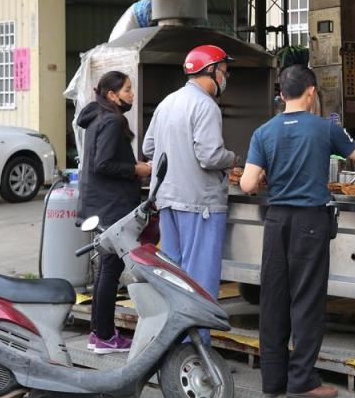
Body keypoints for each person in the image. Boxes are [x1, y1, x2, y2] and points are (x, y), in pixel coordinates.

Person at [239, 65, 355, 398]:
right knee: (306, 299)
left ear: (282, 95)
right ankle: (301, 381)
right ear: (311, 92)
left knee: (274, 299)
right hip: (310, 222)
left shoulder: (264, 132)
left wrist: (265, 177)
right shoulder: (325, 128)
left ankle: (273, 379)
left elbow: (246, 184)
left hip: (276, 222)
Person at [141, 45, 240, 332]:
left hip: (167, 201)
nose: (226, 75)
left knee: (176, 278)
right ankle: (198, 352)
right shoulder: (206, 105)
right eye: (224, 69)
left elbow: (148, 147)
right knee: (200, 282)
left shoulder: (167, 102)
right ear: (211, 70)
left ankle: (175, 344)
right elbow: (210, 156)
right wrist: (232, 158)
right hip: (201, 204)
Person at [77, 71, 152, 354]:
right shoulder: (112, 120)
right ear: (112, 94)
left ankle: (99, 333)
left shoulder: (97, 117)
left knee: (106, 269)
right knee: (111, 269)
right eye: (128, 89)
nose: (132, 94)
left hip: (99, 204)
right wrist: (138, 169)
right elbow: (103, 164)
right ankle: (106, 336)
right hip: (111, 206)